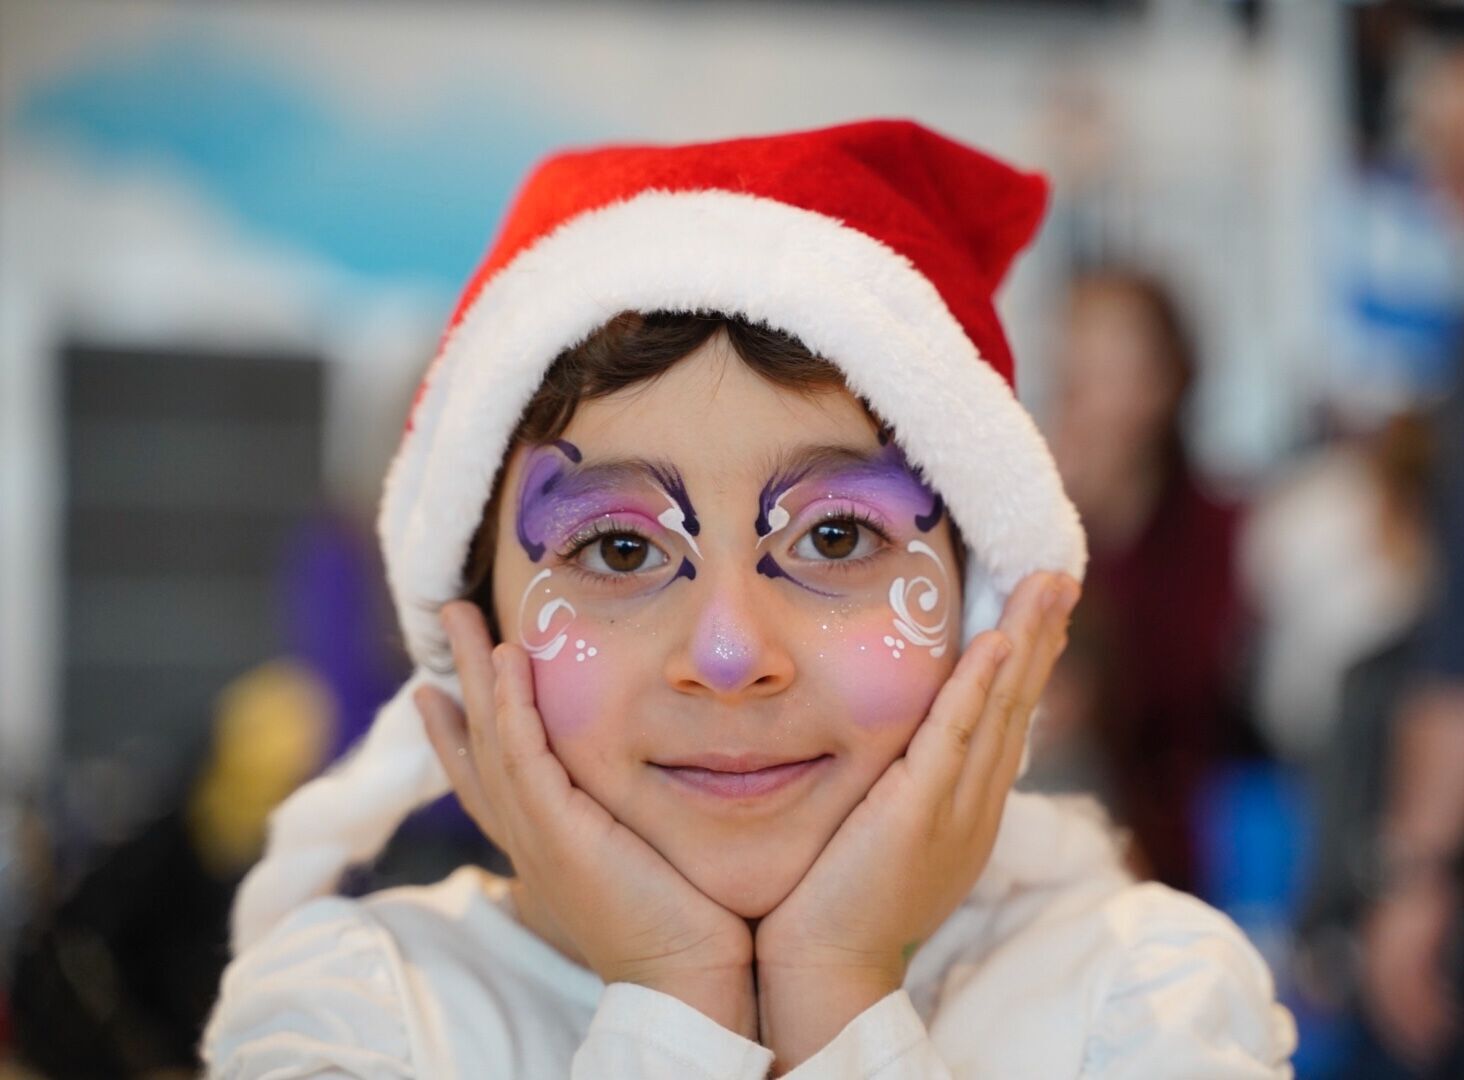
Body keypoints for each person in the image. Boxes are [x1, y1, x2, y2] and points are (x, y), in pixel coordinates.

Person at [201, 120, 1296, 1076]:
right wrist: (673, 1001)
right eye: (618, 553)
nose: (728, 652)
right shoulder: (364, 1022)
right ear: (472, 627)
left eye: (836, 535)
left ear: (987, 614)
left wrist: (840, 998)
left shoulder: (1138, 1006)